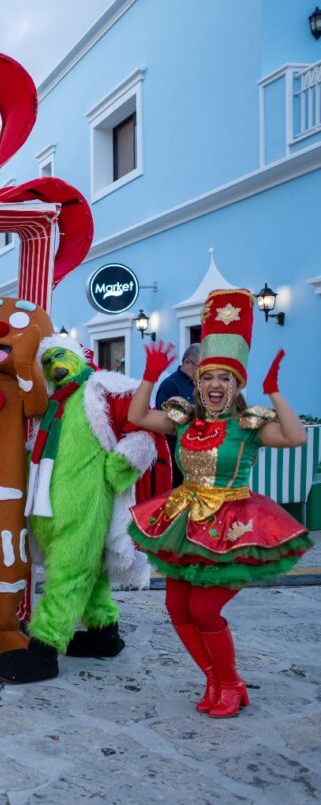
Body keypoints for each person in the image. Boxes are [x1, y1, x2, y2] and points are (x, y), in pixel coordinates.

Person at [127, 288, 312, 718]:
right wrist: (149, 376)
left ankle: (229, 682)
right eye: (208, 377)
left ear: (236, 385)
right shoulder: (185, 420)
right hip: (185, 522)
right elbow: (138, 417)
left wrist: (274, 392)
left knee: (204, 609)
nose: (215, 385)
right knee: (177, 608)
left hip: (233, 525)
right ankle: (215, 679)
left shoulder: (249, 425)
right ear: (197, 382)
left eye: (225, 379)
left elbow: (296, 437)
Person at [155, 343, 200, 487]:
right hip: (176, 457)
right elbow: (164, 418)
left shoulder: (201, 385)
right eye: (200, 367)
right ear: (187, 362)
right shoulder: (169, 385)